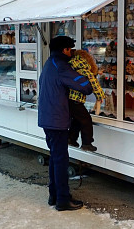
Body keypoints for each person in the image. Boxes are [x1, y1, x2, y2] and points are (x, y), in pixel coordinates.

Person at [38, 36, 93, 211]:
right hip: (56, 120)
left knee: (55, 157)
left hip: (49, 118)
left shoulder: (49, 63)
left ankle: (54, 195)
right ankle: (63, 199)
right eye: (70, 50)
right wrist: (89, 76)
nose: (71, 52)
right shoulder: (61, 66)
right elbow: (84, 86)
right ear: (64, 50)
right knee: (61, 160)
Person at [68, 49, 105, 151]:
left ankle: (71, 139)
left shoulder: (72, 68)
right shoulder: (85, 71)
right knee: (86, 120)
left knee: (76, 120)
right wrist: (100, 96)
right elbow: (95, 85)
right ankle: (87, 143)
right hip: (76, 101)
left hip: (68, 100)